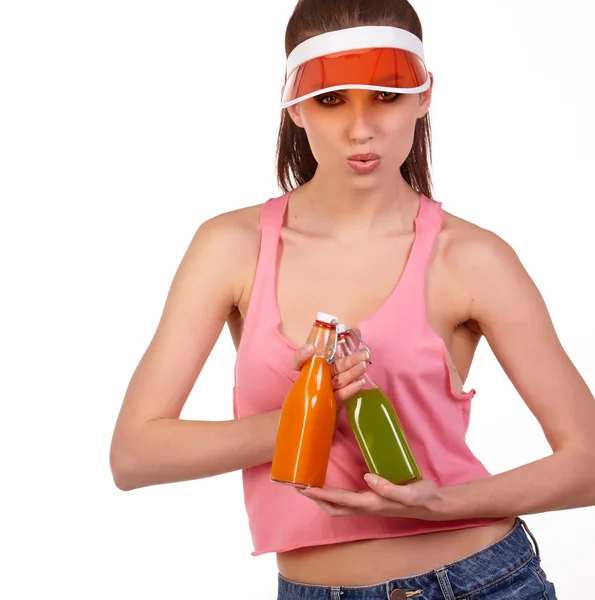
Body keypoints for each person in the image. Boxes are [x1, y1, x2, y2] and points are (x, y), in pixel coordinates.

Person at [109, 1, 595, 598]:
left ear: (424, 96)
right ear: (295, 105)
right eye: (332, 99)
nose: (361, 128)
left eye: (386, 96)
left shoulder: (472, 257)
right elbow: (135, 454)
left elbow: (588, 462)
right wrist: (309, 416)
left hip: (478, 582)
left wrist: (442, 502)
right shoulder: (231, 247)